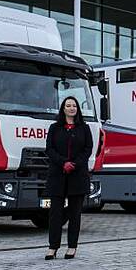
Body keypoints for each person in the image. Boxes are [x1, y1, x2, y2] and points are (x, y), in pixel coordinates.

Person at [44, 96, 93, 260]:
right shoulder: (54, 128)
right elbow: (49, 149)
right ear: (63, 109)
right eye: (68, 105)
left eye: (74, 106)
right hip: (57, 175)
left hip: (77, 176)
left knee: (75, 214)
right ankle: (53, 247)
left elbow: (88, 149)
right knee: (55, 214)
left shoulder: (84, 128)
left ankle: (72, 247)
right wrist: (63, 163)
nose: (71, 108)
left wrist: (74, 164)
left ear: (77, 109)